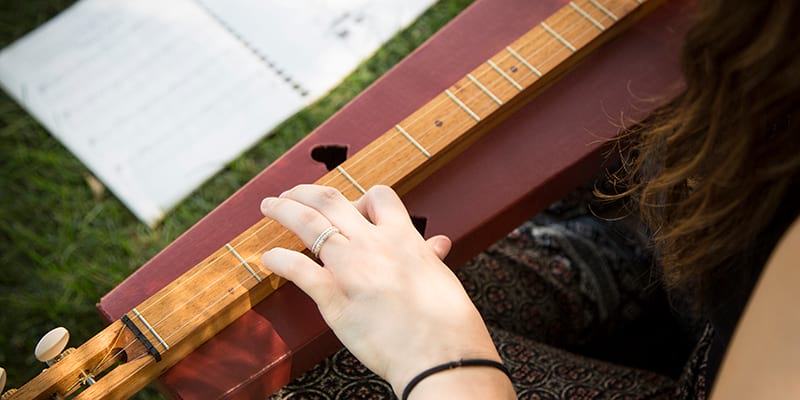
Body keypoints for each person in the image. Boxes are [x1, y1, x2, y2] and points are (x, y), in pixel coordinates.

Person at [259, 0, 799, 398]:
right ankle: (601, 254)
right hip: (695, 265)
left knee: (301, 367)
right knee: (316, 307)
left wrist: (441, 361)